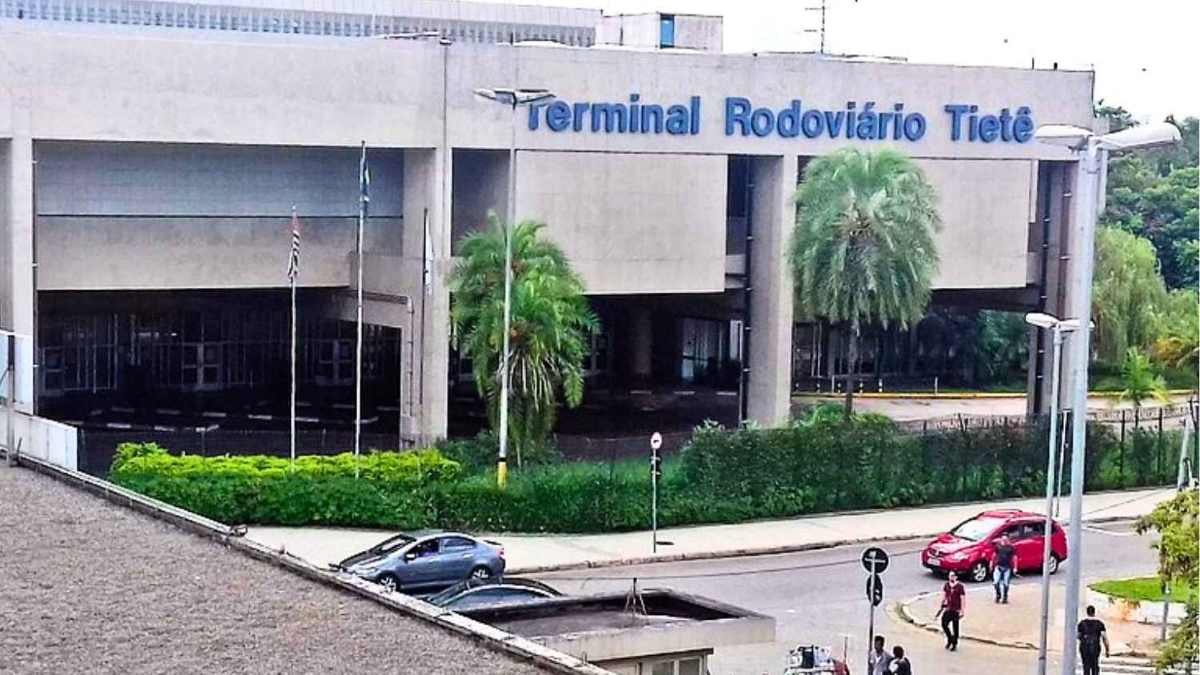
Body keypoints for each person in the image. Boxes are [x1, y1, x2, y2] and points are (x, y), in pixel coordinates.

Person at [1077, 605, 1110, 675]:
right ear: (1094, 612)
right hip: (1095, 647)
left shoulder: (1082, 624)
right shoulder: (1100, 624)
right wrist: (1107, 650)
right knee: (1095, 665)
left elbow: (1078, 636)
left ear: (1087, 612)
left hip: (1084, 647)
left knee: (1086, 666)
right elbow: (1105, 638)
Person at [939, 571, 966, 651]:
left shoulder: (960, 586)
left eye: (953, 576)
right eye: (950, 576)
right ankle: (950, 638)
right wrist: (942, 603)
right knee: (944, 624)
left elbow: (962, 598)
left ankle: (954, 643)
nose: (951, 577)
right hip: (948, 608)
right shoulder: (946, 585)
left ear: (956, 577)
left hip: (956, 609)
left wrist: (962, 610)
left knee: (955, 627)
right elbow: (944, 595)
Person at [992, 534, 1018, 603]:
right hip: (998, 566)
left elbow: (1014, 557)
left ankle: (1005, 597)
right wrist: (991, 562)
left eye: (1005, 540)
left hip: (1007, 567)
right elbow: (994, 554)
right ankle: (998, 595)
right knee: (995, 582)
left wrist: (1015, 567)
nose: (1004, 541)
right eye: (1003, 540)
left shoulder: (1011, 548)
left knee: (1006, 584)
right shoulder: (998, 546)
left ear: (1008, 540)